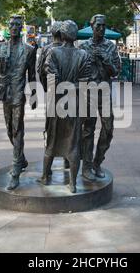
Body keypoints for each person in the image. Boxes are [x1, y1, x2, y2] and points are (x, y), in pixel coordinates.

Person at [39, 20, 93, 193]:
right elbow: (85, 84)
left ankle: (45, 176)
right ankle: (73, 184)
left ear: (61, 35)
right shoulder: (83, 55)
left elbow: (52, 81)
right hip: (75, 105)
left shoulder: (53, 53)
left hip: (56, 104)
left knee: (52, 141)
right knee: (73, 143)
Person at [0, 15, 37, 190]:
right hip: (5, 94)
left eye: (18, 24)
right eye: (12, 24)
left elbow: (32, 75)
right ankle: (22, 158)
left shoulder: (29, 50)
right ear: (8, 27)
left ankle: (16, 169)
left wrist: (33, 96)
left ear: (21, 27)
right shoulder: (0, 47)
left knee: (18, 129)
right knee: (10, 129)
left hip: (18, 95)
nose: (14, 27)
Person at [79, 14, 121, 180]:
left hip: (104, 91)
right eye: (98, 26)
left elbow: (116, 71)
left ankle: (98, 162)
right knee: (87, 130)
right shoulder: (83, 47)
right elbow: (78, 71)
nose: (102, 29)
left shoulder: (110, 47)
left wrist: (106, 61)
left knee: (108, 128)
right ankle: (87, 166)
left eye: (104, 26)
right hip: (88, 92)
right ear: (92, 27)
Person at [37, 21, 70, 171]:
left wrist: (47, 88)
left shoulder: (46, 50)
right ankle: (67, 160)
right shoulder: (70, 50)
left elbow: (40, 71)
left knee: (51, 128)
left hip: (52, 94)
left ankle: (47, 167)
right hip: (69, 94)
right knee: (68, 128)